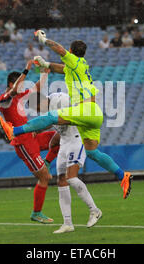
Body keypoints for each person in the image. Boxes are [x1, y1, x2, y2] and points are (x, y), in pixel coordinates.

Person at [0, 30, 133, 199]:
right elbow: (59, 68)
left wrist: (44, 40)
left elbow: (60, 50)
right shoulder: (78, 66)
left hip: (85, 109)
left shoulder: (74, 61)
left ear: (71, 51)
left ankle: (14, 131)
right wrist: (45, 64)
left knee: (51, 117)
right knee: (91, 152)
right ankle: (123, 176)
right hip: (93, 114)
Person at [0, 60, 59, 223]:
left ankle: (47, 162)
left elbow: (37, 88)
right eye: (20, 83)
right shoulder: (5, 99)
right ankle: (36, 213)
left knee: (60, 136)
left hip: (33, 137)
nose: (24, 86)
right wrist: (27, 69)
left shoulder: (19, 96)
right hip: (23, 144)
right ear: (12, 84)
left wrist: (45, 71)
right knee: (45, 178)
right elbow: (11, 93)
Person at [47, 92, 102, 234]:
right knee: (61, 180)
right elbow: (60, 127)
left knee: (71, 177)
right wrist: (54, 138)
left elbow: (68, 120)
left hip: (76, 140)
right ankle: (67, 223)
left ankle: (94, 210)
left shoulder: (60, 100)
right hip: (64, 143)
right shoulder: (49, 108)